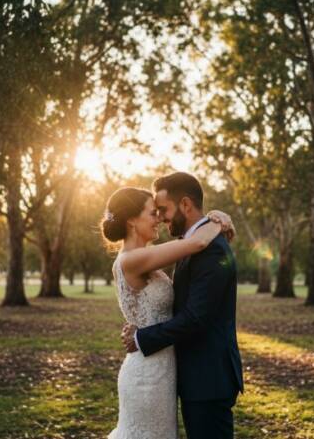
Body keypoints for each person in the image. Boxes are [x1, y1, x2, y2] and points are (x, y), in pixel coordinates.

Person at [104, 172, 243, 439]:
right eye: (153, 212)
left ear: (186, 205)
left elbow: (194, 316)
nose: (159, 217)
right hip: (152, 374)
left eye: (162, 210)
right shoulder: (137, 258)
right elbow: (197, 241)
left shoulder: (198, 249)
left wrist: (142, 336)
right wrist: (219, 222)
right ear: (132, 220)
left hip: (201, 376)